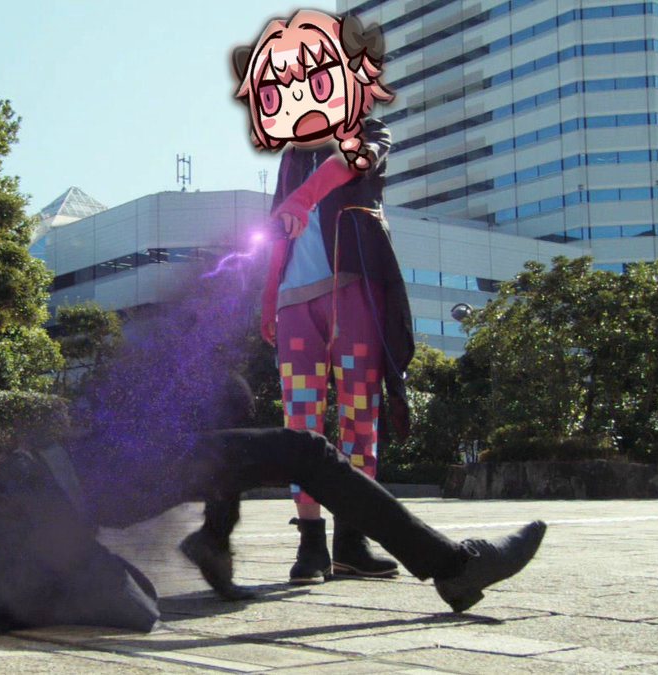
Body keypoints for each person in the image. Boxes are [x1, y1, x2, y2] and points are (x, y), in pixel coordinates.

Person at [0, 377, 546, 636]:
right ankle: (453, 567)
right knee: (294, 446)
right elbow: (131, 606)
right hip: (84, 483)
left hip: (83, 478)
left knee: (266, 431)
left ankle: (215, 537)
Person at [233, 9, 415, 583]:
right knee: (301, 426)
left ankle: (351, 542)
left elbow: (350, 162)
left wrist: (305, 197)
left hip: (353, 293)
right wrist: (268, 301)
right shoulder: (291, 155)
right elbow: (276, 233)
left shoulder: (372, 133)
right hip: (293, 305)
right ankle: (311, 544)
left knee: (360, 419)